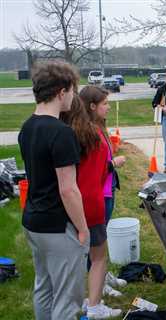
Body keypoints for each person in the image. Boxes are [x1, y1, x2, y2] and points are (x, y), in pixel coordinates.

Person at [18, 61, 90, 319]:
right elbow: (68, 190)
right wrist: (82, 229)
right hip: (57, 227)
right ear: (61, 91)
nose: (73, 96)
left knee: (44, 286)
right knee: (67, 299)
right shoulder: (61, 133)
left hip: (33, 222)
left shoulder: (27, 127)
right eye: (72, 90)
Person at [62, 86, 122, 318]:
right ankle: (94, 304)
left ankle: (94, 292)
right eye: (105, 103)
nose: (108, 107)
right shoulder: (91, 136)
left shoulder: (86, 131)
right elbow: (89, 178)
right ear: (91, 106)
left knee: (94, 255)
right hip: (93, 202)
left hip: (89, 201)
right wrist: (114, 163)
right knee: (98, 256)